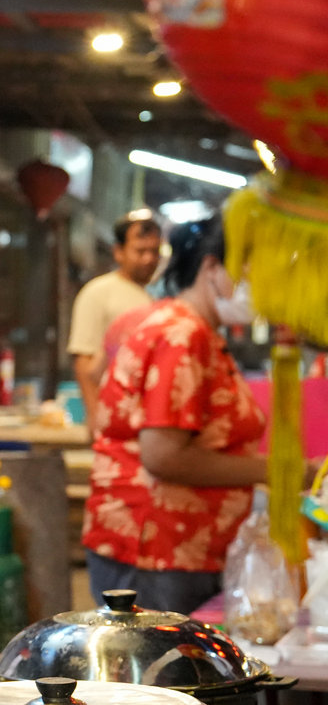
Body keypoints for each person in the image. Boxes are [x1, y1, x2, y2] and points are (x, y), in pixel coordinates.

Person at [83, 215, 268, 613]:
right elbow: (164, 456)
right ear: (211, 267)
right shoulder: (181, 335)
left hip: (183, 546)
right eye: (251, 273)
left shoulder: (197, 331)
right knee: (157, 673)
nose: (261, 288)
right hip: (156, 548)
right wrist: (279, 470)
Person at [69, 210, 162, 437]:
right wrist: (94, 415)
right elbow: (83, 360)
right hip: (112, 417)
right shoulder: (98, 292)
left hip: (142, 418)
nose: (149, 259)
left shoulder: (152, 298)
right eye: (140, 251)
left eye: (154, 251)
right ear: (118, 252)